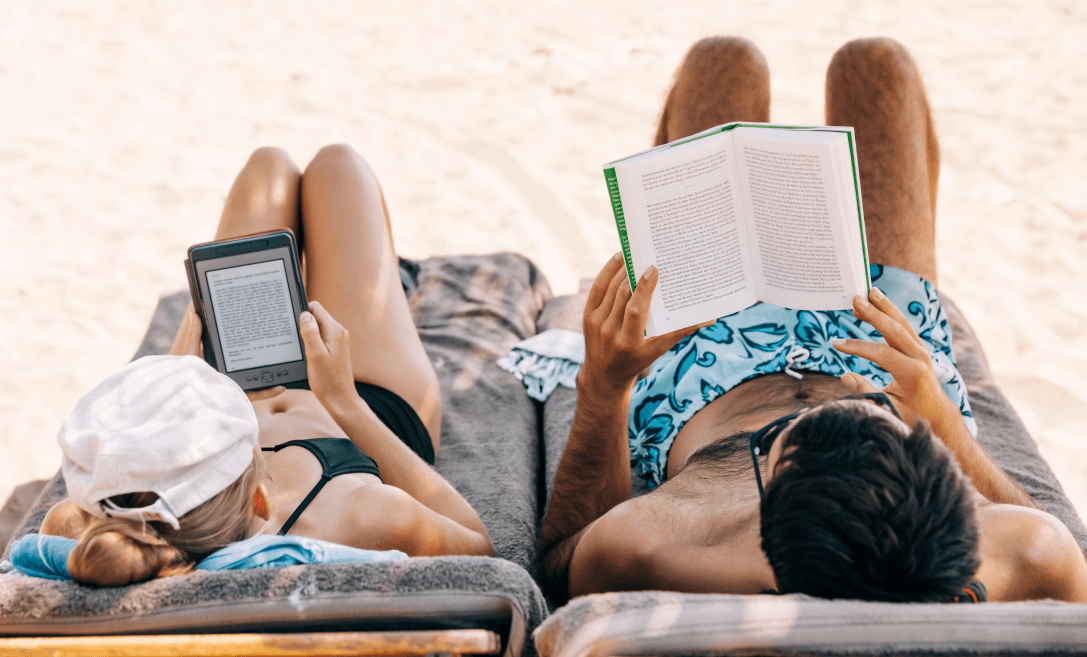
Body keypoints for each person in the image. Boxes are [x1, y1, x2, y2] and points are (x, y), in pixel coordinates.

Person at [538, 37, 1087, 604]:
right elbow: (1064, 553)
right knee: (875, 65)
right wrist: (938, 419)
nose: (841, 398)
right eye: (887, 426)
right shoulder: (1028, 553)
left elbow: (557, 561)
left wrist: (604, 385)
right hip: (886, 345)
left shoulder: (664, 544)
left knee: (722, 62)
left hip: (704, 370)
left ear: (764, 505)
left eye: (774, 441)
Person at [40, 144, 493, 585]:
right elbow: (480, 547)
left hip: (229, 379)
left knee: (267, 167)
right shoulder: (363, 515)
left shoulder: (92, 528)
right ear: (261, 500)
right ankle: (394, 278)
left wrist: (180, 377)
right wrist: (343, 401)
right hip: (366, 405)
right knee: (339, 165)